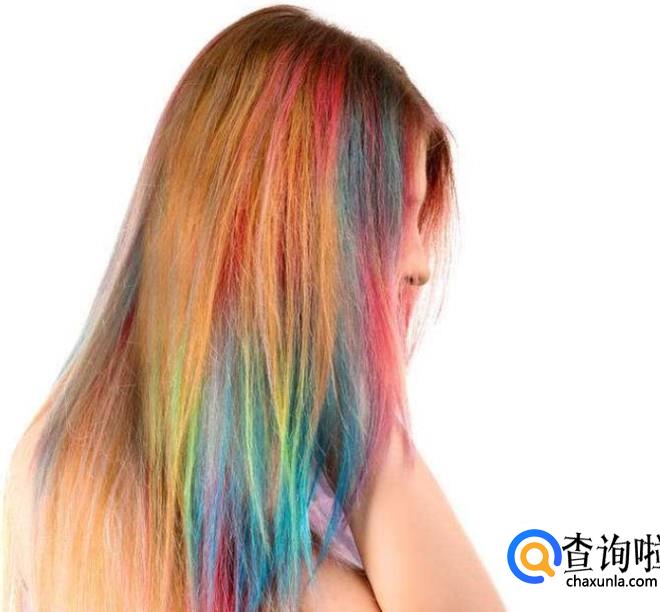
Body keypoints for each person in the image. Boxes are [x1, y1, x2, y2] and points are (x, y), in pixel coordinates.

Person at [1, 5, 506, 611]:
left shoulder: (299, 468)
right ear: (293, 222)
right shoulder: (88, 483)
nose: (420, 264)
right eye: (395, 216)